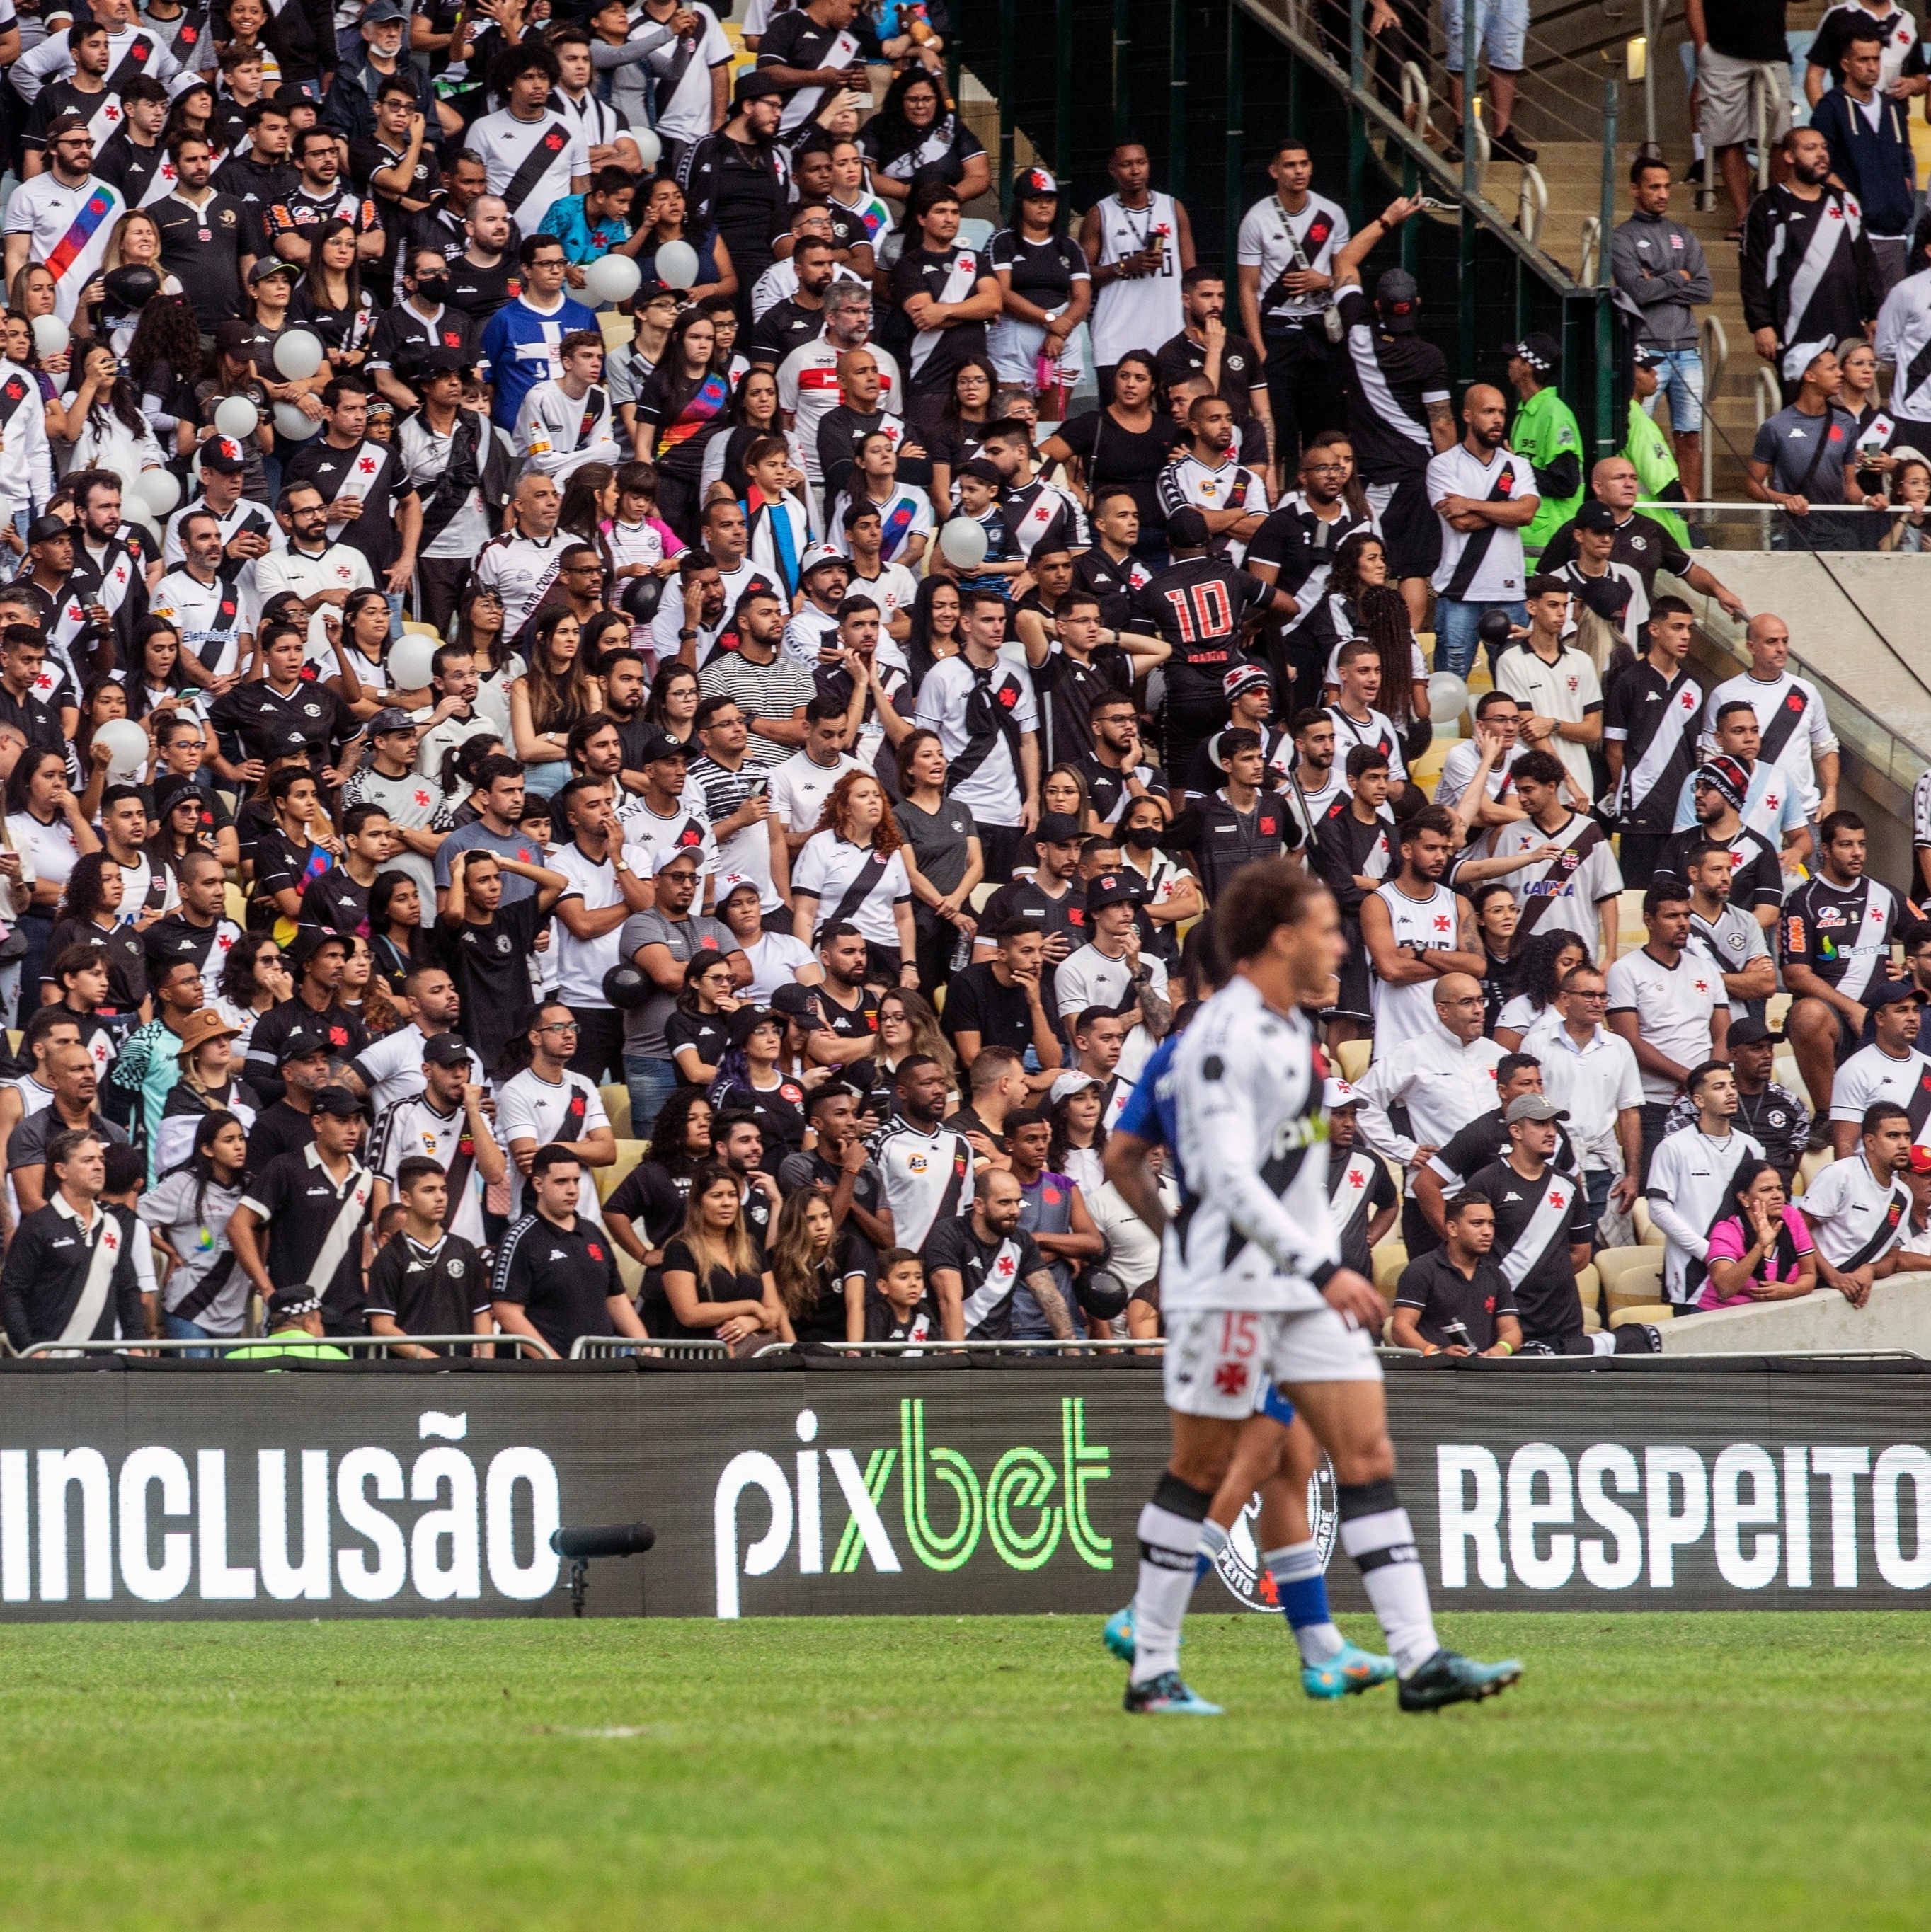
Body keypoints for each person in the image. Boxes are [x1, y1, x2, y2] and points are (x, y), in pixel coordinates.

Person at [1113, 856, 1518, 1714]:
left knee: (1363, 1450)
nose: (1344, 945)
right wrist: (1306, 1262)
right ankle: (1152, 1668)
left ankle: (1418, 1659)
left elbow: (1216, 1169)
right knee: (1203, 1464)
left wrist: (1303, 1263)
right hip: (1234, 1285)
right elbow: (1222, 1175)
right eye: (1330, 930)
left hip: (1298, 1282)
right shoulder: (1223, 1040)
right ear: (1283, 939)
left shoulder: (1292, 1031)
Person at [1351, 971, 1506, 1258]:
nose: (1478, 1010)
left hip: (1490, 1199)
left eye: (1481, 1000)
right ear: (1442, 1010)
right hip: (1433, 1197)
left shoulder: (1497, 1055)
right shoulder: (1413, 1053)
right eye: (1467, 1002)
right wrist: (1403, 1150)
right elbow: (1361, 1098)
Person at [1462, 1096, 1619, 1355]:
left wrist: (1546, 1278)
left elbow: (1580, 1254)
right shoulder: (1486, 1182)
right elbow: (1464, 1251)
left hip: (1563, 1319)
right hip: (1505, 1317)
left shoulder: (1568, 1186)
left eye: (1553, 1124)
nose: (1551, 1132)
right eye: (1540, 1124)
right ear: (1516, 1131)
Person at [1232, 138, 1346, 475]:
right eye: (1290, 165)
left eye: (1304, 163)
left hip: (1322, 331)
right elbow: (1247, 287)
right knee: (1277, 430)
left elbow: (1346, 276)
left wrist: (1321, 281)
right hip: (1278, 331)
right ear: (1274, 171)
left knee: (1324, 429)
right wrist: (1258, 347)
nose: (1299, 171)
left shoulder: (1331, 214)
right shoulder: (1257, 219)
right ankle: (1274, 496)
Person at [1783, 810, 1904, 1126]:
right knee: (1807, 1014)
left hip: (1886, 1015)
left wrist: (1909, 968)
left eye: (1862, 844)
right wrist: (1851, 1008)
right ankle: (1829, 1116)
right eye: (1846, 845)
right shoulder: (1803, 900)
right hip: (1835, 1017)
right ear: (1825, 849)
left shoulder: (1886, 894)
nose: (1857, 853)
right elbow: (1795, 975)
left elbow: (1925, 934)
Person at [227, 1084, 372, 1331]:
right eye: (342, 1120)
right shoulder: (286, 1168)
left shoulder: (365, 1176)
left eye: (357, 1121)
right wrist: (268, 1290)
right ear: (317, 1123)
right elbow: (238, 1225)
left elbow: (364, 1240)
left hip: (350, 1315)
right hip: (295, 1316)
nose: (352, 1129)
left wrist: (365, 1286)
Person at [1611, 159, 1714, 502]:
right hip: (1646, 351)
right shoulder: (1622, 237)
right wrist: (1677, 277)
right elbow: (1635, 292)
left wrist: (1656, 281)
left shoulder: (1683, 234)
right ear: (1635, 189)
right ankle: (1640, 508)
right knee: (1639, 431)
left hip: (1687, 348)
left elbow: (1704, 289)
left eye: (1667, 186)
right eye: (1654, 187)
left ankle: (1689, 514)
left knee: (1690, 435)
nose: (1663, 194)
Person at [1743, 127, 1883, 377]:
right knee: (1805, 409)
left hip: (1848, 325)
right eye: (1810, 149)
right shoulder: (1768, 205)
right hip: (1797, 327)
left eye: (1824, 148)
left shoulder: (1844, 202)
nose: (1821, 154)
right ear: (1788, 156)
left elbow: (1866, 262)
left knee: (1848, 411)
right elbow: (1753, 269)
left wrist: (1874, 314)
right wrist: (1761, 323)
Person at [490, 1140, 644, 1356]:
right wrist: (552, 1363)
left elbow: (616, 1297)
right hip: (543, 1377)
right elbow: (507, 1312)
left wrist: (646, 1346)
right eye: (561, 1182)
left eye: (576, 1181)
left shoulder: (592, 1231)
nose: (572, 1190)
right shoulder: (519, 1239)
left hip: (599, 1368)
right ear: (538, 1185)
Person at [1426, 383, 1539, 678]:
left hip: (1510, 593)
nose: (1498, 419)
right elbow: (1461, 523)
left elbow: (1526, 513)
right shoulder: (1442, 465)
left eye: (1502, 412)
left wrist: (1470, 503)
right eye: (1488, 411)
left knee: (1513, 681)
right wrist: (1507, 510)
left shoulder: (1518, 465)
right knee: (1449, 682)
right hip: (1458, 592)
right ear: (1467, 415)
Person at [1358, 804, 1485, 1061]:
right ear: (1406, 850)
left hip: (1450, 1047)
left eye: (1445, 849)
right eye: (1431, 848)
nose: (1440, 857)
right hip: (1396, 1046)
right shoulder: (1380, 902)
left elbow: (1478, 966)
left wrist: (1420, 952)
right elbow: (1391, 970)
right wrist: (1455, 966)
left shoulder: (1458, 903)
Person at [0, 1127, 144, 1350]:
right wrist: (27, 1349)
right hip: (50, 1365)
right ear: (61, 1170)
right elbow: (12, 1292)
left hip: (102, 1364)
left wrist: (136, 1345)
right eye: (87, 1160)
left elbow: (128, 1290)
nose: (98, 1166)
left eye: (101, 1160)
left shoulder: (113, 1225)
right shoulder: (37, 1226)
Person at [1644, 1058, 1767, 1306]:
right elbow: (1658, 1210)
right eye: (1719, 1087)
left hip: (1741, 1271)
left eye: (1732, 1085)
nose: (1731, 1092)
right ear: (1698, 1100)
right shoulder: (1673, 1147)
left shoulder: (1751, 1147)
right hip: (1691, 1275)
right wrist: (1708, 1252)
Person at [1077, 139, 1192, 403]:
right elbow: (1082, 276)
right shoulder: (1100, 214)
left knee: (1173, 416)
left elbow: (1191, 274)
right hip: (1116, 337)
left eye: (1141, 162)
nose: (1135, 170)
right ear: (1113, 170)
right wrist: (1125, 267)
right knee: (1118, 421)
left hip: (1168, 334)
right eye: (1126, 165)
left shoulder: (1173, 208)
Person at [1701, 613, 1840, 827]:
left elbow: (1826, 748)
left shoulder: (1806, 692)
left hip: (1803, 815)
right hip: (1746, 814)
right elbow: (1711, 757)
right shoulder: (1724, 694)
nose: (1781, 649)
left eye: (1785, 641)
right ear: (1751, 647)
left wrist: (1830, 794)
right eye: (1771, 642)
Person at [1603, 596, 1702, 887]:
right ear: (1655, 630)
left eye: (1689, 629)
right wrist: (1629, 791)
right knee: (1639, 895)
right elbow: (1614, 747)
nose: (1685, 636)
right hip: (1641, 813)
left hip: (1684, 814)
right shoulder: (1630, 681)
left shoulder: (1694, 687)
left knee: (1682, 898)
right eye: (1677, 627)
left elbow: (1701, 752)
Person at [1811, 27, 1917, 297]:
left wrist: (1902, 193)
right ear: (1845, 64)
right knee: (1861, 321)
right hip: (1856, 235)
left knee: (1893, 326)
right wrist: (1852, 205)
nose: (1872, 67)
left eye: (1876, 59)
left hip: (1895, 235)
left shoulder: (1892, 107)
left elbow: (1905, 159)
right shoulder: (1831, 108)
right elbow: (1822, 165)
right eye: (1863, 60)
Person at [495, 999, 617, 1228]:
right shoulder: (515, 1090)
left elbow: (608, 1152)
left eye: (572, 1027)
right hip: (536, 1219)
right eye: (558, 1028)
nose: (569, 1034)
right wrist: (586, 1146)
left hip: (587, 1219)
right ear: (535, 1038)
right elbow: (529, 1164)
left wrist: (554, 1149)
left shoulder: (584, 1084)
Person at [361, 1156, 493, 1357]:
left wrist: (485, 1362)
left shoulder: (464, 1249)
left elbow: (480, 1311)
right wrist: (434, 1362)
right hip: (411, 1378)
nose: (440, 1197)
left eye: (443, 1189)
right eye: (429, 1190)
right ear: (406, 1198)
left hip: (463, 1375)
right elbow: (382, 1327)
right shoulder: (389, 1257)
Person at [1795, 1101, 1915, 1307]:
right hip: (1816, 1289)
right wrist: (1833, 1277)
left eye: (1907, 1135)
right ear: (1870, 1142)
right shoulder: (1841, 1175)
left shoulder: (1903, 1195)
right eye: (1893, 1136)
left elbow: (1891, 1259)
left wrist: (1870, 1269)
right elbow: (1798, 1228)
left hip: (1853, 1294)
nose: (1903, 1144)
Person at [1390, 1191, 1518, 1355]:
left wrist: (1500, 1350)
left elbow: (1512, 1331)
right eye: (1478, 1223)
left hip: (1483, 1374)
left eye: (1491, 1224)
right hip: (1436, 1375)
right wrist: (1437, 1354)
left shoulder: (1496, 1275)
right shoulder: (1422, 1270)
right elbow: (1401, 1329)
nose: (1488, 1232)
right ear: (1452, 1228)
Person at [871, 1053, 973, 1250]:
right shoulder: (881, 1142)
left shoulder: (960, 1143)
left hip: (950, 1265)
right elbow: (872, 1211)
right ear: (902, 1092)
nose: (938, 1091)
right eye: (927, 1084)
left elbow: (967, 1210)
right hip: (903, 1265)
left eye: (942, 1083)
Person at [1502, 334, 1583, 564]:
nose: (1510, 363)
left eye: (1515, 358)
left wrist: (1517, 466)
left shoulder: (1555, 414)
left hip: (1551, 544)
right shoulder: (1525, 411)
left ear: (1527, 367)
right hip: (1526, 545)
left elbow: (1566, 484)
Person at [1828, 979, 1930, 1158]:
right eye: (1902, 1010)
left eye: (1915, 1010)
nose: (1913, 1017)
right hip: (1880, 1181)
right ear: (1880, 1019)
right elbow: (1844, 1147)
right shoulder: (1855, 1070)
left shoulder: (1928, 1064)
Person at [1326, 1079, 1399, 1280]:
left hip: (1358, 1280)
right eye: (1339, 1114)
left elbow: (1390, 1205)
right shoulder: (1296, 1164)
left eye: (1353, 1115)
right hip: (1306, 1285)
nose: (1349, 1123)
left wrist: (1369, 1238)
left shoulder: (1369, 1162)